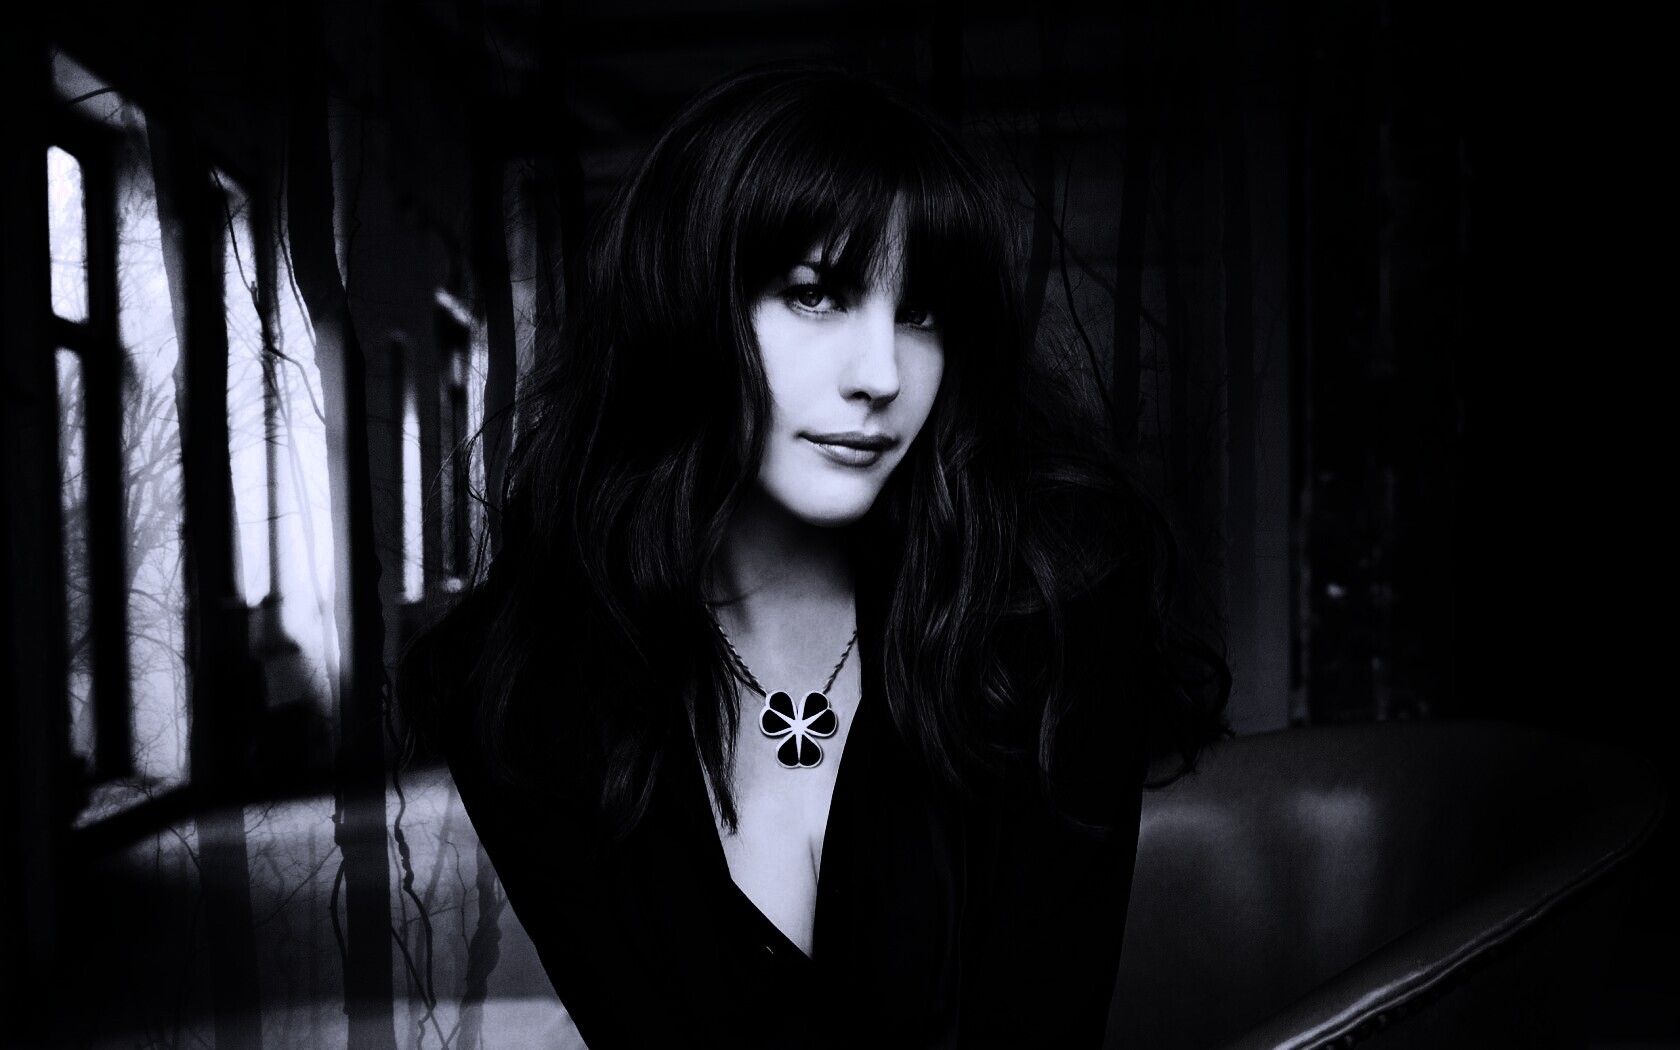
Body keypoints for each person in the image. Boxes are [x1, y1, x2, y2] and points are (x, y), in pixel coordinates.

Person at [399, 62, 1227, 1049]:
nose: (881, 375)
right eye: (816, 294)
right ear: (684, 304)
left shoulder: (1051, 613)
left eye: (920, 313)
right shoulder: (522, 686)